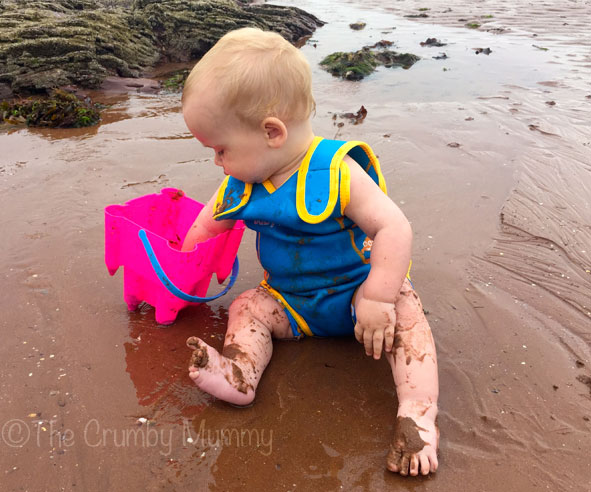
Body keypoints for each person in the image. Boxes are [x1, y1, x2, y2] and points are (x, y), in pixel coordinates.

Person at [179, 27, 439, 476]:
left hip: (360, 301)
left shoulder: (339, 172)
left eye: (221, 150)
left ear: (272, 132)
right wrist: (181, 262)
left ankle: (417, 412)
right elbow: (210, 221)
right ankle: (241, 372)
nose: (217, 163)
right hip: (290, 304)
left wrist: (378, 296)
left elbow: (393, 226)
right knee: (247, 306)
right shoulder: (243, 180)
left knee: (407, 312)